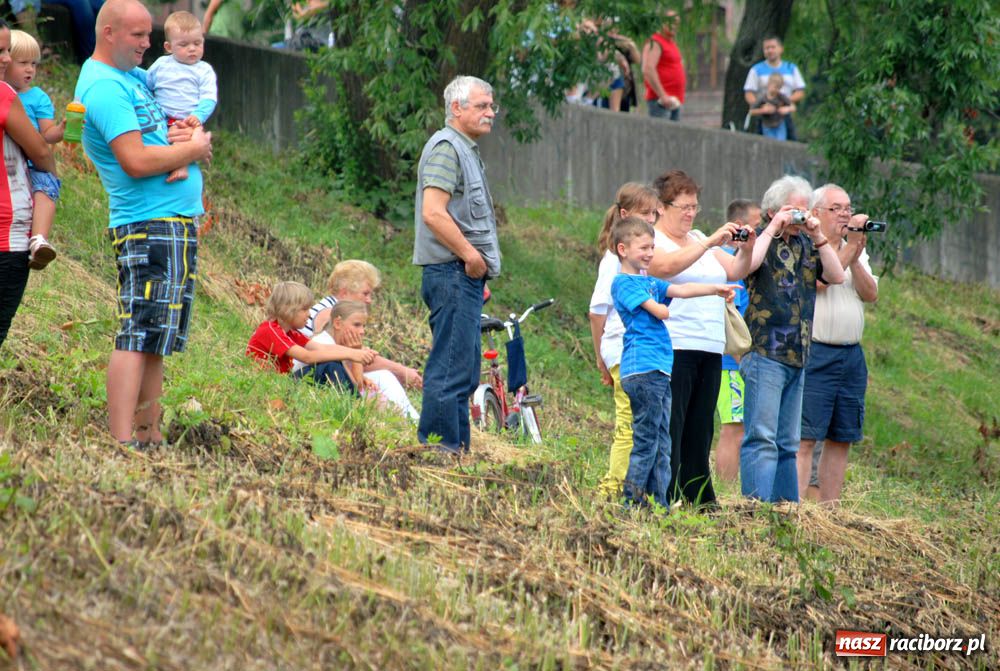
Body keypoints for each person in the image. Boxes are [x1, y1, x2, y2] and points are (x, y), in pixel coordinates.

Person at [74, 0, 213, 449]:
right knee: (137, 331)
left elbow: (162, 128)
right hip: (147, 223)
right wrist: (190, 153)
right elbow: (134, 160)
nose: (148, 44)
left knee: (157, 337)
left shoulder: (133, 79)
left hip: (172, 221)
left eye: (149, 35)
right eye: (138, 36)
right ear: (109, 33)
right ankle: (120, 442)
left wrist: (186, 135)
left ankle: (150, 435)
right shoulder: (104, 88)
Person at [647, 170, 755, 508]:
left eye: (694, 206)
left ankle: (696, 495)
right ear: (662, 207)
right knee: (673, 424)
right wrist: (708, 242)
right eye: (683, 206)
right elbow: (663, 268)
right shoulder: (653, 238)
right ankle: (664, 493)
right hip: (674, 343)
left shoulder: (696, 236)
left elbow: (736, 271)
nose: (691, 213)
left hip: (709, 345)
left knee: (700, 426)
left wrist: (748, 248)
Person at [610, 216, 736, 509]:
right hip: (641, 370)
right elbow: (660, 311)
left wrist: (714, 289)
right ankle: (633, 502)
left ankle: (659, 502)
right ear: (622, 249)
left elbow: (680, 289)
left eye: (652, 247)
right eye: (643, 248)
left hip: (659, 369)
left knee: (663, 442)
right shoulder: (624, 284)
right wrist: (664, 307)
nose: (650, 253)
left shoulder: (646, 281)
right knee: (647, 441)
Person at [739, 176, 846, 502]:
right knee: (761, 437)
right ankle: (756, 510)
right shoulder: (757, 238)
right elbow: (748, 264)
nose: (801, 218)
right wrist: (773, 227)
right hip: (765, 352)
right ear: (773, 210)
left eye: (805, 211)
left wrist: (818, 235)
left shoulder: (806, 244)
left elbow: (837, 276)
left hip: (798, 354)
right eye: (795, 211)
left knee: (788, 442)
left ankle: (786, 510)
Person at [413, 75, 500, 454]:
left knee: (462, 372)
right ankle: (440, 452)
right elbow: (434, 213)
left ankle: (458, 452)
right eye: (481, 106)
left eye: (492, 106)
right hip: (451, 272)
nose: (490, 112)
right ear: (456, 108)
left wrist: (477, 270)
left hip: (462, 276)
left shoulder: (465, 149)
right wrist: (470, 256)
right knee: (450, 368)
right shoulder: (448, 147)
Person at [797, 184, 878, 504]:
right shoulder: (808, 245)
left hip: (851, 354)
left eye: (848, 207)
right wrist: (848, 250)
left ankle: (831, 510)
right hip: (817, 351)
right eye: (837, 208)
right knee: (806, 436)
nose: (845, 214)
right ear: (816, 213)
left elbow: (870, 294)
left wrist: (857, 255)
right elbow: (822, 281)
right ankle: (797, 508)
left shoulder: (852, 248)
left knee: (842, 436)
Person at [588, 183, 660, 497]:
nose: (652, 219)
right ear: (624, 215)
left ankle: (635, 489)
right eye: (646, 213)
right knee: (627, 424)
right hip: (620, 349)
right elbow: (596, 312)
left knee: (638, 424)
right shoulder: (612, 263)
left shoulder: (637, 261)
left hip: (636, 351)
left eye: (655, 213)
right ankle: (611, 489)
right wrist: (600, 358)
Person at [0, 18, 57, 349]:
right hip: (7, 239)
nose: (5, 58)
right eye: (1, 51)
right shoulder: (4, 95)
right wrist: (49, 168)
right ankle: (40, 236)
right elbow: (40, 151)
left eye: (8, 50)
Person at [302, 259, 423, 391]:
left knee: (382, 379)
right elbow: (343, 359)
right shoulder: (329, 314)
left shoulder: (331, 308)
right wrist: (402, 371)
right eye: (365, 293)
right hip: (312, 379)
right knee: (384, 379)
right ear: (344, 292)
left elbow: (351, 355)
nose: (369, 300)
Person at [299, 300, 420, 421]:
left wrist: (359, 362)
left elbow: (355, 384)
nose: (362, 331)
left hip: (338, 394)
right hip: (315, 396)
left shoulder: (336, 343)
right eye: (357, 325)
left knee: (383, 376)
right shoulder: (323, 343)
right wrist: (357, 354)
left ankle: (413, 420)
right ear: (337, 323)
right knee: (380, 402)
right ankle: (411, 422)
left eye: (363, 326)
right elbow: (355, 388)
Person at [246, 281, 375, 392]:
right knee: (330, 365)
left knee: (332, 361)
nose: (309, 314)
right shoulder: (270, 330)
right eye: (305, 309)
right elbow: (307, 357)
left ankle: (352, 404)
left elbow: (323, 349)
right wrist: (352, 354)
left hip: (282, 382)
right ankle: (354, 404)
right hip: (267, 384)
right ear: (288, 309)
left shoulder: (291, 333)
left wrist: (357, 353)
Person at [5, 30, 60, 270]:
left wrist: (62, 129)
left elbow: (47, 136)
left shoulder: (38, 97)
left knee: (47, 185)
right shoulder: (5, 94)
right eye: (23, 63)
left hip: (31, 163)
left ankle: (39, 239)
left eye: (34, 64)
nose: (30, 70)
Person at [714, 198, 760, 482]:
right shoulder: (724, 261)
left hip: (742, 358)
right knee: (733, 426)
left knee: (744, 427)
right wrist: (742, 358)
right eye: (756, 225)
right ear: (740, 226)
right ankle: (727, 489)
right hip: (729, 362)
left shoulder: (745, 261)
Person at [146, 11, 217, 184]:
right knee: (162, 141)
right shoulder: (161, 64)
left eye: (197, 43)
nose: (192, 48)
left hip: (188, 120)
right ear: (169, 47)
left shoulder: (204, 70)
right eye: (184, 44)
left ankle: (181, 166)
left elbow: (209, 98)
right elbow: (147, 83)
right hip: (161, 116)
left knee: (189, 140)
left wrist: (197, 117)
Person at [743, 35, 806, 140]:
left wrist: (783, 102)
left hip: (784, 115)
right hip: (765, 116)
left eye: (773, 47)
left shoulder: (791, 68)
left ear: (781, 49)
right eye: (767, 48)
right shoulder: (756, 69)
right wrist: (760, 106)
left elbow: (800, 91)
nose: (770, 50)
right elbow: (749, 93)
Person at [641, 9, 685, 121]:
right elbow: (648, 69)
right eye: (671, 22)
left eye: (676, 23)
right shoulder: (655, 42)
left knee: (675, 137)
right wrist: (663, 95)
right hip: (661, 102)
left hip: (676, 101)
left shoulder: (671, 44)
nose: (674, 26)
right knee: (662, 136)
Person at [749, 73, 794, 141]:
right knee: (770, 143)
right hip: (767, 125)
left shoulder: (781, 97)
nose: (776, 90)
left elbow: (793, 107)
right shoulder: (762, 98)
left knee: (781, 142)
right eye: (775, 87)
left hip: (779, 124)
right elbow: (751, 111)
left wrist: (786, 109)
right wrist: (763, 110)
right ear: (769, 84)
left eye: (779, 88)